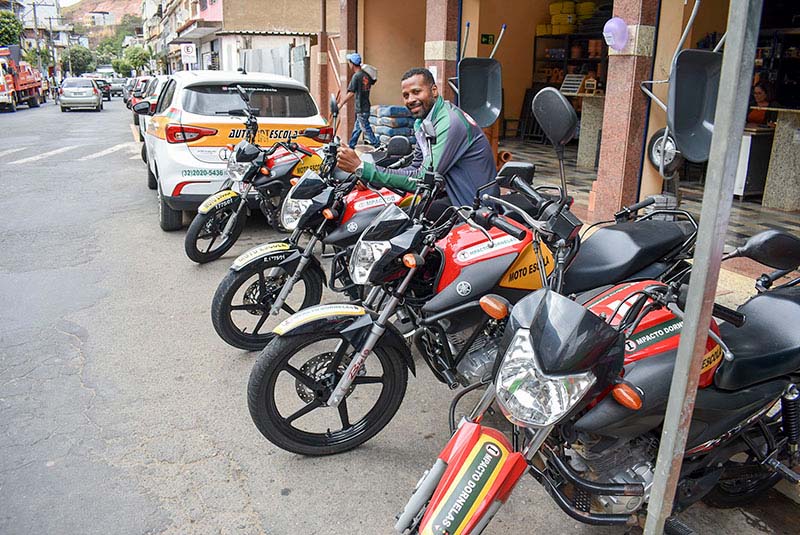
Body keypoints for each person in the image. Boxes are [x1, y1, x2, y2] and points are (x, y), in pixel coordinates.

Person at [336, 67, 498, 218]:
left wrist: (363, 168)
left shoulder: (449, 122)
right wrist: (371, 179)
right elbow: (416, 167)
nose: (411, 99)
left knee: (394, 225)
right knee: (386, 217)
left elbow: (421, 179)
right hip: (450, 197)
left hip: (474, 210)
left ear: (434, 91)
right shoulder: (423, 122)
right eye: (406, 95)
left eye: (416, 92)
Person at [338, 53, 379, 148]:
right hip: (366, 105)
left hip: (361, 107)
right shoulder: (366, 75)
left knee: (365, 128)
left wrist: (341, 103)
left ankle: (376, 144)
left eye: (349, 62)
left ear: (352, 64)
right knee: (357, 128)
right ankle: (351, 145)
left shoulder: (356, 76)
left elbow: (351, 92)